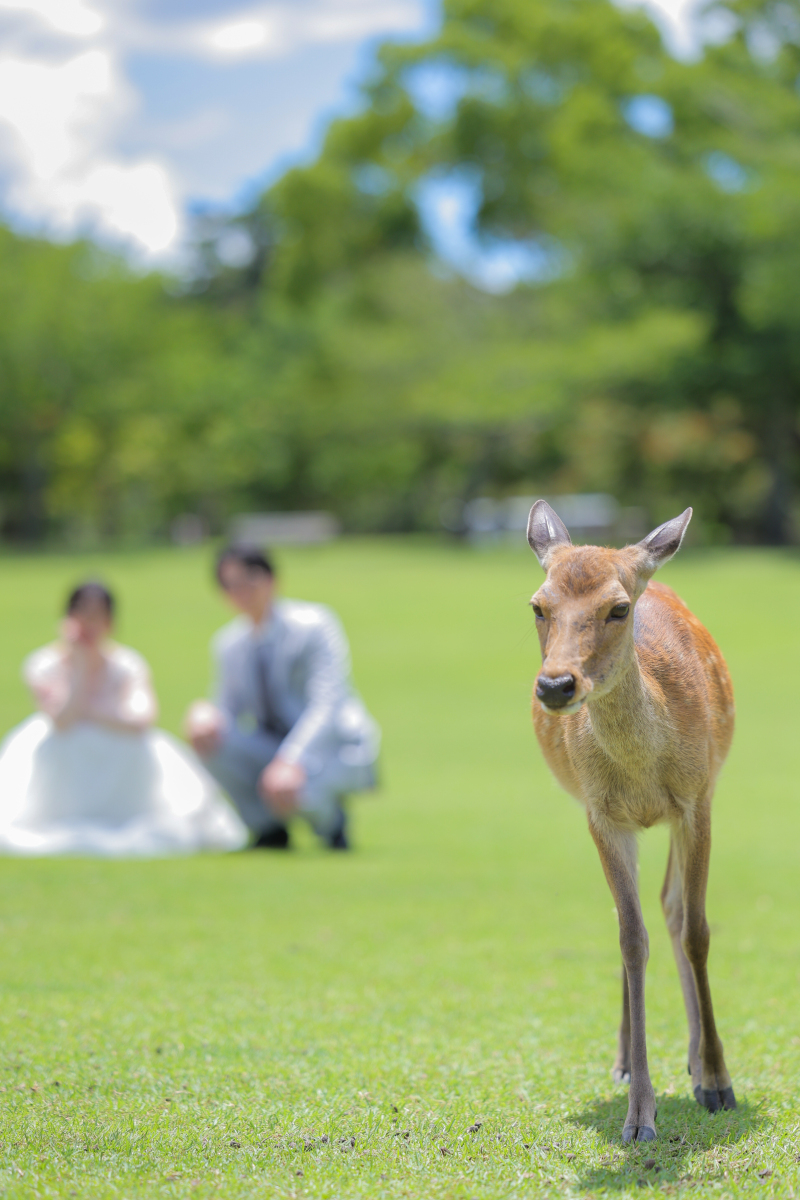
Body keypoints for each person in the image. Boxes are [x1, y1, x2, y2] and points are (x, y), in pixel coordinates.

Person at [0, 582, 247, 856]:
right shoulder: (44, 664)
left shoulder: (127, 664)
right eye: (84, 614)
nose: (90, 624)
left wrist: (91, 713)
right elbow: (62, 720)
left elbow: (141, 719)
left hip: (120, 754)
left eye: (98, 616)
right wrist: (81, 666)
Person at [185, 545, 380, 850]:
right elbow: (227, 710)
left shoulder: (314, 625)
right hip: (272, 747)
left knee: (291, 786)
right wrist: (205, 716)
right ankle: (267, 829)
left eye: (248, 579)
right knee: (208, 739)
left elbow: (327, 704)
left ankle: (331, 822)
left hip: (331, 747)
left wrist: (292, 759)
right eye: (229, 584)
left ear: (272, 579)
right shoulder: (229, 644)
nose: (241, 591)